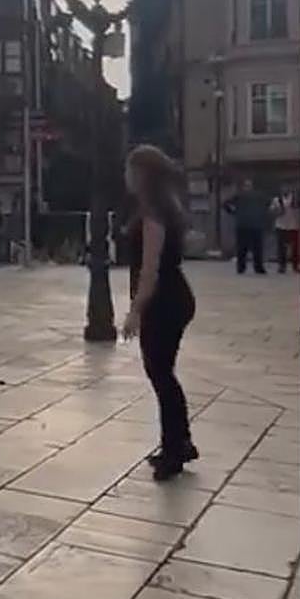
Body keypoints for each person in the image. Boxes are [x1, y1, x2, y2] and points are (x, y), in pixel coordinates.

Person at [121, 145, 198, 482]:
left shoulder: (153, 213)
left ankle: (174, 452)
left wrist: (135, 310)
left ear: (141, 173)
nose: (125, 175)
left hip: (164, 300)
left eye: (129, 168)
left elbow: (150, 268)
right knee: (165, 374)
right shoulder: (168, 207)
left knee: (161, 375)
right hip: (174, 296)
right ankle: (180, 441)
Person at [224, 179, 269, 274]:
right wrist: (262, 214)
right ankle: (258, 267)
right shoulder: (259, 195)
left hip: (242, 225)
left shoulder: (239, 196)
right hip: (255, 225)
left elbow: (225, 204)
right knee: (257, 248)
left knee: (242, 248)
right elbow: (268, 204)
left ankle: (241, 268)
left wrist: (233, 212)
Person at [270, 183, 300, 274]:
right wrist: (276, 211)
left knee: (295, 248)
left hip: (293, 225)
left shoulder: (296, 199)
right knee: (281, 248)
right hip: (281, 225)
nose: (285, 190)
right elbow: (271, 211)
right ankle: (282, 266)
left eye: (287, 188)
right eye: (283, 188)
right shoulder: (276, 200)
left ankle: (296, 266)